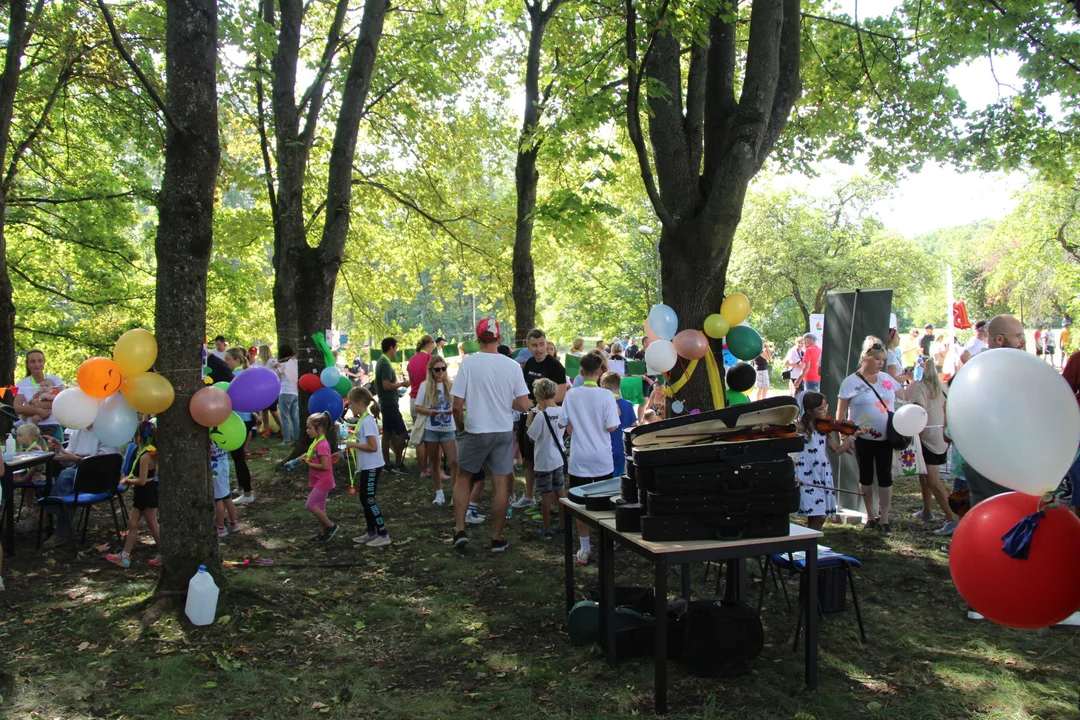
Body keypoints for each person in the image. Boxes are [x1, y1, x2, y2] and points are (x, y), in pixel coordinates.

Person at [450, 318, 530, 552]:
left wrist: (460, 426)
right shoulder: (512, 366)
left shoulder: (468, 364)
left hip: (475, 429)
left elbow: (457, 406)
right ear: (499, 338)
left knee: (464, 478)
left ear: (477, 339)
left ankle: (460, 529)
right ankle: (496, 537)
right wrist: (505, 400)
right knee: (500, 483)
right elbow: (524, 405)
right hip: (502, 430)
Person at [560, 352, 619, 565]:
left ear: (581, 372)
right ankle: (606, 541)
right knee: (606, 501)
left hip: (580, 457)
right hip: (602, 457)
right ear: (601, 372)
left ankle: (585, 547)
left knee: (579, 504)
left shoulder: (572, 394)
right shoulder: (606, 396)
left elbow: (562, 422)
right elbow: (612, 427)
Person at [962, 314, 1026, 510]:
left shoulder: (975, 367)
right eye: (1018, 336)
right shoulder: (990, 369)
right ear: (999, 339)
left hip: (985, 459)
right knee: (1002, 517)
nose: (1022, 342)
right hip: (995, 461)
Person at [837, 338, 897, 535]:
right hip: (862, 437)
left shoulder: (887, 379)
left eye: (882, 359)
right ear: (866, 358)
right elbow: (841, 413)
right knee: (866, 476)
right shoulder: (850, 382)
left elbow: (904, 393)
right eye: (877, 359)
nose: (880, 363)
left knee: (885, 476)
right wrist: (843, 438)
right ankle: (870, 516)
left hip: (886, 436)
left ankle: (885, 517)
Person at [899, 358, 961, 535]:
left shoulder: (921, 387)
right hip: (941, 437)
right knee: (924, 474)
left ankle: (952, 518)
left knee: (933, 480)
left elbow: (918, 412)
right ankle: (927, 511)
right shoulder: (943, 387)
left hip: (928, 437)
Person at [512, 328, 568, 511]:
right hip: (529, 418)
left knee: (547, 461)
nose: (539, 349)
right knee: (528, 459)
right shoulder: (528, 365)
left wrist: (537, 402)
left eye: (542, 344)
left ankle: (552, 503)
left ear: (546, 343)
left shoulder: (555, 366)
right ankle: (529, 496)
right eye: (534, 345)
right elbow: (524, 390)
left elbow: (560, 395)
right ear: (528, 346)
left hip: (547, 420)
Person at [39, 428, 121, 545]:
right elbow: (68, 461)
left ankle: (47, 516)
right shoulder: (77, 433)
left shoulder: (106, 432)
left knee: (66, 475)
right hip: (78, 476)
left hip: (101, 480)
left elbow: (105, 464)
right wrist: (60, 450)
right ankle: (55, 522)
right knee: (65, 477)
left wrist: (77, 460)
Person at [796, 392, 859, 531]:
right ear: (809, 411)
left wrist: (854, 435)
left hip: (822, 471)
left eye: (826, 407)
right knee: (818, 516)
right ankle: (808, 545)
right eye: (820, 409)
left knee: (818, 515)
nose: (825, 412)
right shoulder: (801, 429)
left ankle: (809, 545)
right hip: (807, 473)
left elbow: (838, 450)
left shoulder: (824, 430)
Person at [106, 422, 162, 568]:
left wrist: (127, 480)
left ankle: (164, 553)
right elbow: (154, 472)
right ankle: (125, 556)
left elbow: (142, 481)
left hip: (146, 493)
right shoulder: (151, 453)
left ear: (138, 438)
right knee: (132, 524)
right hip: (143, 492)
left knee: (153, 525)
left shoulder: (145, 457)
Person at [345, 387, 391, 547]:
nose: (348, 406)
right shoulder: (363, 420)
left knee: (369, 499)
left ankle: (383, 534)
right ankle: (371, 532)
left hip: (372, 467)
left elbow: (373, 447)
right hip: (365, 467)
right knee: (364, 498)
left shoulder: (367, 422)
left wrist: (353, 444)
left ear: (358, 403)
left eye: (350, 403)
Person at [526, 378, 566, 540]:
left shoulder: (541, 416)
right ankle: (563, 525)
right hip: (559, 458)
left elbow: (531, 437)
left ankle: (547, 528)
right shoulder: (562, 411)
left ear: (539, 396)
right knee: (561, 492)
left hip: (543, 460)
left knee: (546, 495)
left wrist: (531, 417)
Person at [414, 355, 455, 505]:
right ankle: (439, 493)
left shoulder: (451, 385)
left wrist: (452, 410)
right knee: (434, 462)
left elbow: (458, 405)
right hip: (431, 428)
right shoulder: (425, 386)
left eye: (443, 368)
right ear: (431, 370)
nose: (441, 372)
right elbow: (417, 407)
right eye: (437, 369)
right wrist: (430, 412)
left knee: (454, 462)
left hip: (448, 428)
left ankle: (455, 493)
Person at [299, 411, 339, 543]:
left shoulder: (322, 445)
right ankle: (322, 533)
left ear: (320, 429)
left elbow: (325, 466)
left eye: (310, 428)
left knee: (310, 505)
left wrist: (308, 463)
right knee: (320, 508)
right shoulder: (317, 441)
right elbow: (315, 456)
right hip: (318, 479)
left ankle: (331, 526)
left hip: (323, 481)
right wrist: (307, 457)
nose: (307, 430)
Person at [224, 347, 256, 504]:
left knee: (238, 457)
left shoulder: (236, 375)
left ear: (237, 360)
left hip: (240, 419)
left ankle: (248, 493)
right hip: (246, 417)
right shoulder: (244, 373)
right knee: (238, 455)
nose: (226, 363)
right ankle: (242, 487)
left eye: (228, 359)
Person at [375, 337, 410, 474]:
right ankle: (398, 463)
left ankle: (387, 464)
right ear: (391, 348)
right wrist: (402, 384)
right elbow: (387, 385)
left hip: (386, 403)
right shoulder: (385, 363)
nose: (397, 350)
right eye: (396, 347)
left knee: (387, 433)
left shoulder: (381, 361)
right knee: (401, 433)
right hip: (389, 405)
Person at [13, 349, 65, 442]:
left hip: (53, 425)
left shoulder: (55, 380)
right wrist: (37, 410)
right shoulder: (22, 383)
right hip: (31, 430)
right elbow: (17, 408)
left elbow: (62, 401)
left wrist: (36, 405)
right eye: (33, 361)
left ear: (44, 362)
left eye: (40, 361)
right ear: (27, 364)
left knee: (56, 454)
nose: (37, 364)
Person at [407, 336, 436, 477]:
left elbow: (411, 380)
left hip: (413, 399)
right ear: (429, 344)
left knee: (419, 437)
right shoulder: (431, 358)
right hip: (427, 399)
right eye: (433, 345)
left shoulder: (412, 360)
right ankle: (433, 468)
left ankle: (423, 469)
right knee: (432, 437)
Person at [601, 371, 637, 478]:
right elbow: (634, 426)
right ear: (618, 386)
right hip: (622, 447)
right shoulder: (628, 404)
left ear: (603, 387)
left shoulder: (602, 405)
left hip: (605, 447)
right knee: (619, 478)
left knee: (605, 479)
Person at [212, 442, 240, 539]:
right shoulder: (222, 430)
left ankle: (221, 528)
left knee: (218, 498)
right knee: (227, 497)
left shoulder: (210, 431)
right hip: (224, 462)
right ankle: (234, 523)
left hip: (214, 466)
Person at [254, 345, 282, 439]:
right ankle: (266, 429)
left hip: (272, 389)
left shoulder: (271, 361)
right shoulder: (262, 363)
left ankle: (283, 428)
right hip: (264, 389)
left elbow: (279, 366)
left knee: (273, 411)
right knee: (264, 410)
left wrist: (276, 377)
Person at [275, 344, 299, 446]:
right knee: (295, 417)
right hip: (295, 393)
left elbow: (277, 378)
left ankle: (287, 440)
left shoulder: (283, 365)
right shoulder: (296, 363)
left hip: (285, 392)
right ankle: (297, 439)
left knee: (285, 417)